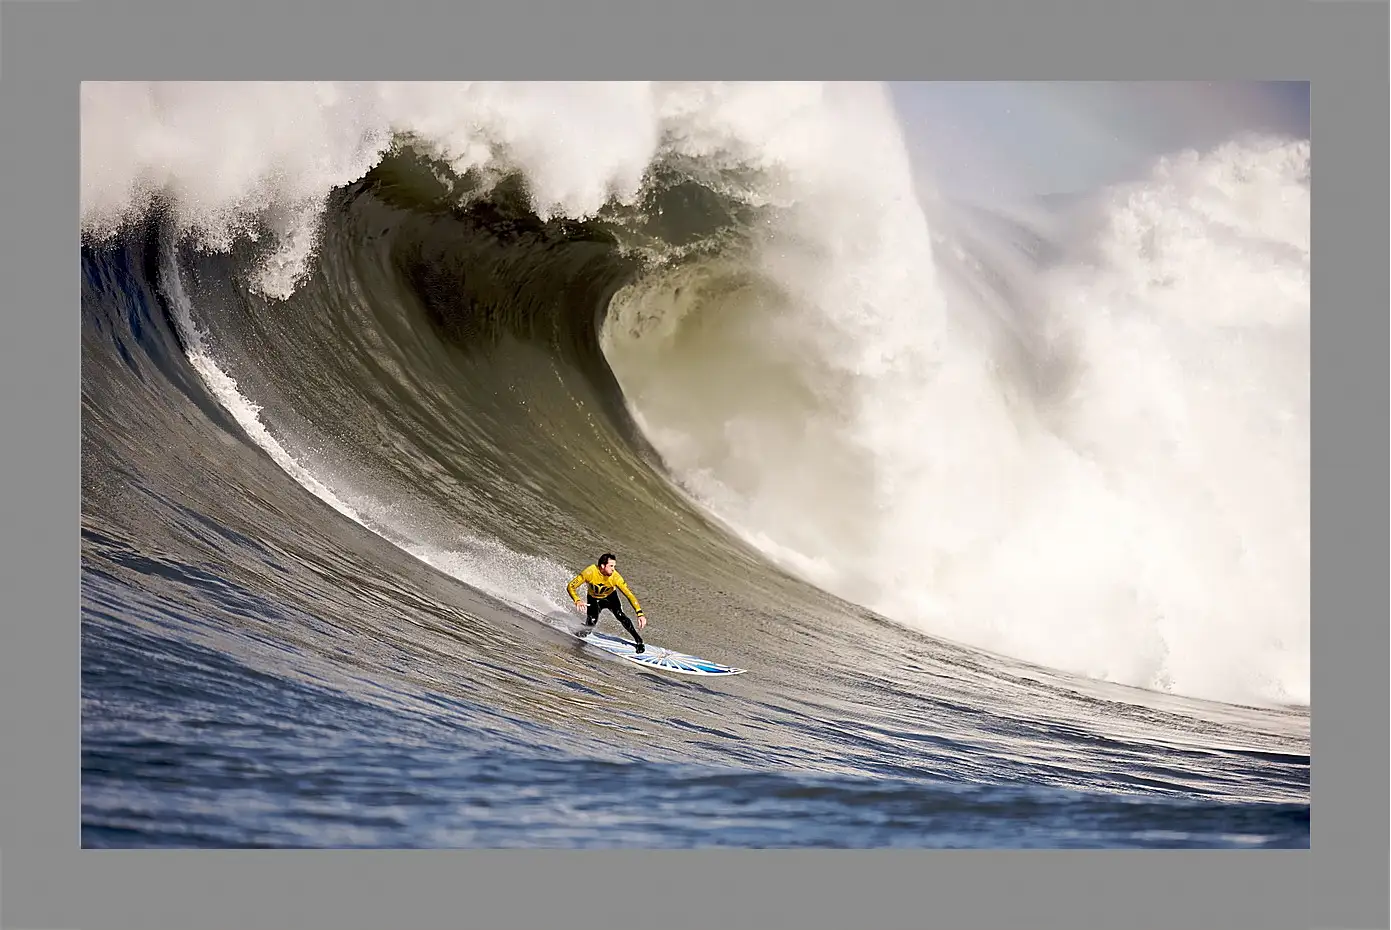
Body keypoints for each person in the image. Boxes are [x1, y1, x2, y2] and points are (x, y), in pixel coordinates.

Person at [566, 552, 647, 653]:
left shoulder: (615, 577)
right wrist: (577, 600)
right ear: (602, 566)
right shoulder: (590, 572)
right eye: (611, 566)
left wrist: (640, 613)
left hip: (610, 598)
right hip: (594, 599)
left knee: (620, 615)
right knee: (590, 626)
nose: (613, 569)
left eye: (614, 566)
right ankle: (584, 629)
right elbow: (571, 586)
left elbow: (629, 594)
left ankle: (639, 641)